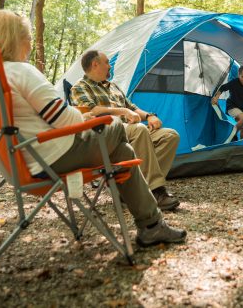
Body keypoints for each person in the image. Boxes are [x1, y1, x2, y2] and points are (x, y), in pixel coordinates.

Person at [0, 9, 185, 247]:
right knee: (114, 126)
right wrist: (101, 118)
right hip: (53, 157)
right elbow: (66, 119)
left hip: (22, 164)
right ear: (14, 39)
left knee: (123, 153)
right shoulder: (20, 71)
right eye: (28, 38)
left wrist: (146, 115)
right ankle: (151, 208)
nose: (30, 45)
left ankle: (152, 226)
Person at [70, 51, 181, 211]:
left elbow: (133, 108)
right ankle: (157, 191)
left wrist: (149, 116)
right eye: (107, 62)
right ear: (95, 64)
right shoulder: (80, 87)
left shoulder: (113, 86)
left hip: (130, 131)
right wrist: (122, 112)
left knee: (170, 136)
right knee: (139, 129)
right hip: (106, 134)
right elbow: (92, 110)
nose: (110, 65)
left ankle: (136, 189)